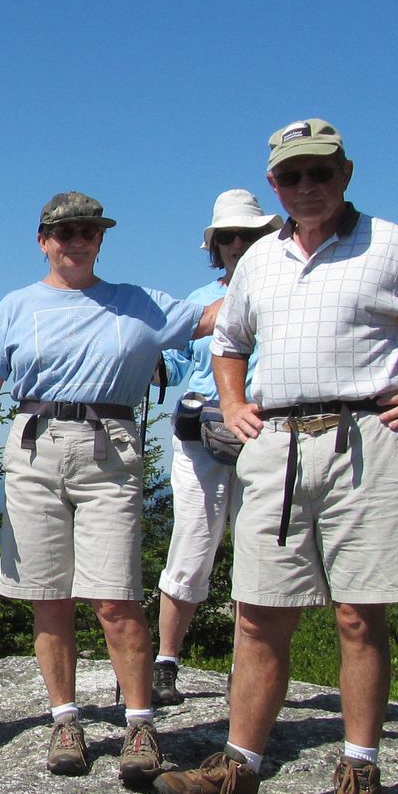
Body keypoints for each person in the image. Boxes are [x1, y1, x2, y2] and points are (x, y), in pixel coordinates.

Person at [154, 120, 398, 794]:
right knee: (259, 611)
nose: (306, 187)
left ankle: (360, 773)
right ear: (275, 182)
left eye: (320, 172)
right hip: (277, 442)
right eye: (291, 176)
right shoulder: (260, 261)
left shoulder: (394, 244)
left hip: (368, 437)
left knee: (357, 614)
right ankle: (239, 766)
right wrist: (236, 403)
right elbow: (229, 341)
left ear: (345, 172)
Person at [0, 192, 220, 785]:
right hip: (34, 445)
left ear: (100, 240)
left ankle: (141, 722)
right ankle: (65, 718)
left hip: (110, 448)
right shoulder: (17, 306)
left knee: (115, 598)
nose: (76, 241)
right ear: (43, 240)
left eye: (88, 232)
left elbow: (211, 317)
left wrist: (264, 264)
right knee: (47, 595)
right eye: (64, 232)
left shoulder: (138, 304)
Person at [152, 190, 281, 707]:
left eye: (246, 235)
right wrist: (151, 361)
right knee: (194, 539)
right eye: (227, 236)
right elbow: (178, 365)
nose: (236, 243)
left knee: (263, 548)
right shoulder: (202, 301)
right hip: (202, 437)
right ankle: (165, 660)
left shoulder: (285, 294)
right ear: (215, 244)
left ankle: (245, 667)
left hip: (268, 432)